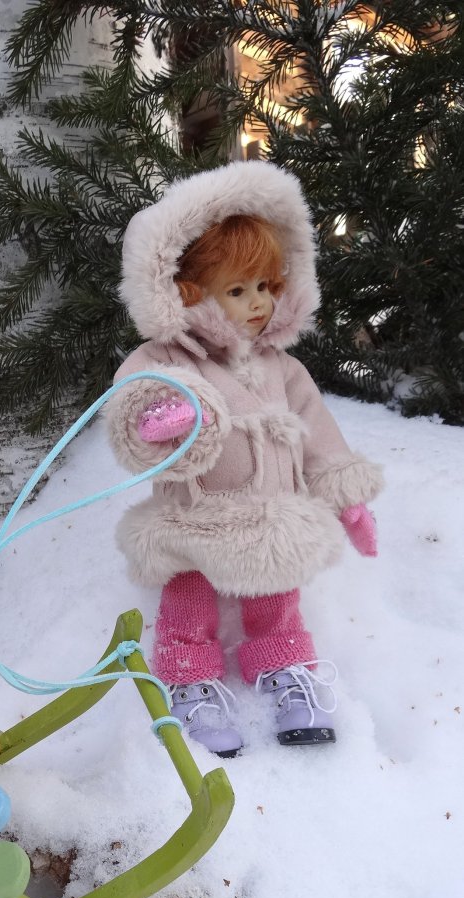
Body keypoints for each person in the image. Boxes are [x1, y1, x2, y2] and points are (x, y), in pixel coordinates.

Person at [105, 162, 383, 756]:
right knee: (188, 596)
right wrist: (162, 420)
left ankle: (286, 671)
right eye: (238, 290)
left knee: (278, 595)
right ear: (187, 293)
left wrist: (343, 491)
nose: (257, 305)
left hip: (272, 513)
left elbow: (316, 428)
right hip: (193, 516)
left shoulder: (283, 367)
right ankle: (191, 680)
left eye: (266, 287)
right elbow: (131, 406)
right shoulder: (166, 357)